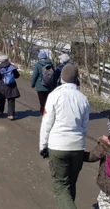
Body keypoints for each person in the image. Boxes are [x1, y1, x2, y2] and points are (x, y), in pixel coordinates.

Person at [39, 63, 90, 209]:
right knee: (70, 184)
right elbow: (85, 126)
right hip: (78, 146)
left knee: (61, 186)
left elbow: (47, 123)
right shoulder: (83, 99)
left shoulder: (55, 95)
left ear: (62, 78)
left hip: (58, 146)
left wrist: (43, 145)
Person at [31, 51, 55, 115]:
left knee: (42, 101)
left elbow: (34, 76)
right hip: (49, 85)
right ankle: (48, 112)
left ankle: (43, 113)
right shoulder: (51, 64)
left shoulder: (37, 65)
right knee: (48, 101)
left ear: (39, 57)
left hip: (40, 86)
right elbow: (54, 75)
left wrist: (32, 84)